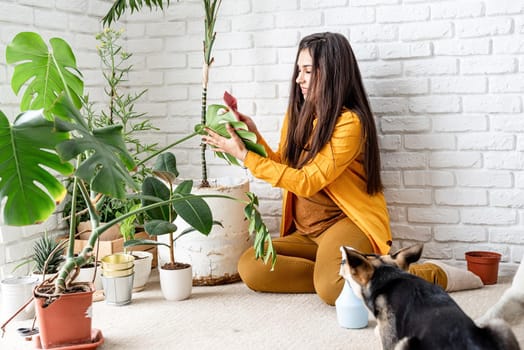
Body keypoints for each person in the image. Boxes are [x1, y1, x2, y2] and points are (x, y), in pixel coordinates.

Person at [203, 32, 482, 305]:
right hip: (307, 234)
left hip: (345, 224)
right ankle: (345, 273)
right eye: (298, 70)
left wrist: (245, 158)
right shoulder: (298, 114)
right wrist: (252, 137)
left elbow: (307, 182)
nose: (299, 78)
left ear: (333, 72)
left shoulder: (350, 123)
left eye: (308, 71)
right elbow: (287, 167)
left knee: (329, 290)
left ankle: (430, 274)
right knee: (252, 266)